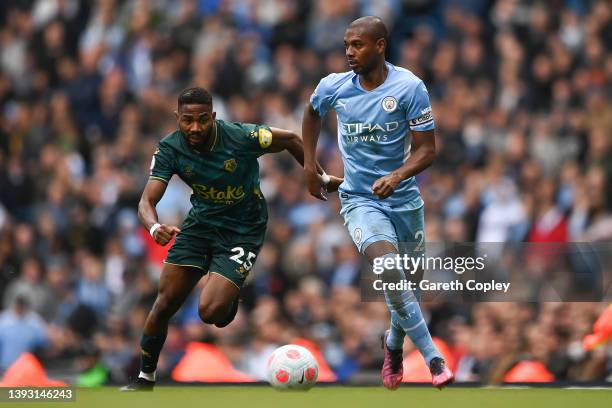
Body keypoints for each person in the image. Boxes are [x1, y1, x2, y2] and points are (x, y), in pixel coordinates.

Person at [122, 87, 341, 391]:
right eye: (187, 120)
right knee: (164, 303)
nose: (195, 127)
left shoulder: (241, 137)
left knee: (211, 312)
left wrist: (313, 175)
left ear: (213, 117)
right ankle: (145, 378)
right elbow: (146, 201)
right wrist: (154, 226)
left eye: (202, 120)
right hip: (199, 227)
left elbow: (291, 139)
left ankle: (229, 296)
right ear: (177, 118)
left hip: (243, 228)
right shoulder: (169, 149)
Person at [302, 16, 454, 390]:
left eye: (358, 45)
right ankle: (433, 359)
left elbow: (428, 150)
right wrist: (310, 165)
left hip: (404, 202)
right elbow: (311, 113)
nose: (350, 52)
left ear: (381, 45)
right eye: (347, 46)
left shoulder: (409, 87)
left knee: (409, 288)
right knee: (388, 270)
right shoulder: (333, 87)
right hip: (359, 200)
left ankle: (393, 344)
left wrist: (398, 175)